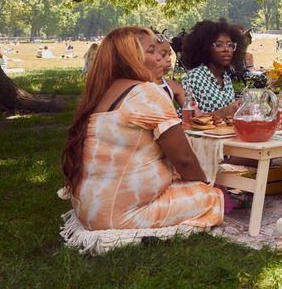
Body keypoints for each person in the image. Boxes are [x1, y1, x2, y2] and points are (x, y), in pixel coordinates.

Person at [61, 26, 223, 231]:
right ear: (132, 57)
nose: (160, 57)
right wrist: (203, 185)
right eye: (151, 51)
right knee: (212, 197)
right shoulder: (146, 93)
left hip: (90, 209)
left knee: (178, 181)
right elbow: (184, 160)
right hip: (121, 216)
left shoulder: (103, 92)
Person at [181, 19, 245, 117]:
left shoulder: (226, 78)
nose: (226, 49)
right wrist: (224, 112)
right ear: (205, 47)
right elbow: (189, 119)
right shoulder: (193, 78)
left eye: (230, 45)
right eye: (219, 45)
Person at [154, 32, 185, 108]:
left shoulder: (173, 86)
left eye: (169, 54)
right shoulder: (135, 89)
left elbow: (194, 114)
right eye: (163, 55)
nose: (168, 59)